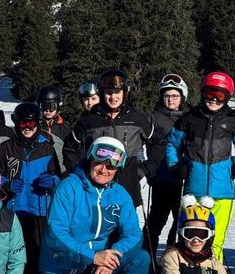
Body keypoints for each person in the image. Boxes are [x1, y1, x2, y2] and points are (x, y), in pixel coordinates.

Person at [41, 137, 149, 274]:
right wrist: (93, 256)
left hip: (95, 264)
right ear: (90, 158)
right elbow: (56, 234)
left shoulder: (119, 194)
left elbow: (133, 234)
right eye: (99, 162)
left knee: (140, 258)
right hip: (61, 263)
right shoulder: (69, 187)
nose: (103, 169)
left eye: (111, 165)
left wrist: (110, 260)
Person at [165, 71, 235, 262]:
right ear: (203, 92)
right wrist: (175, 165)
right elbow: (172, 144)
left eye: (219, 95)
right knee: (191, 237)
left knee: (215, 239)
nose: (213, 99)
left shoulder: (232, 122)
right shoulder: (189, 119)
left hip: (222, 192)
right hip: (193, 191)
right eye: (210, 93)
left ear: (227, 97)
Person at [0, 102, 60, 274]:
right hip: (14, 211)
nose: (28, 127)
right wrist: (6, 185)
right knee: (16, 256)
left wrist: (52, 181)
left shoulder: (46, 148)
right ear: (17, 123)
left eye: (32, 123)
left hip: (39, 211)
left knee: (39, 254)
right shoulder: (5, 149)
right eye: (24, 123)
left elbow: (58, 176)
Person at [64, 69, 155, 207]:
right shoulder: (90, 120)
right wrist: (81, 173)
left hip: (127, 187)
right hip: (96, 189)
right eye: (108, 93)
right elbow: (70, 148)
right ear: (102, 93)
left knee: (127, 227)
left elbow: (158, 143)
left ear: (125, 93)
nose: (113, 97)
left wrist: (146, 168)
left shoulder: (136, 118)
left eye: (117, 92)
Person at [145, 74, 188, 260]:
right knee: (156, 220)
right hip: (162, 177)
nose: (170, 99)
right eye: (167, 96)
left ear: (182, 98)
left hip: (184, 178)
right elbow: (138, 141)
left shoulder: (188, 118)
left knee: (181, 220)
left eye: (175, 96)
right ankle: (147, 257)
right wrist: (146, 167)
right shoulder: (152, 118)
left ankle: (172, 256)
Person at [36, 85, 71, 172]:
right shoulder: (35, 126)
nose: (48, 110)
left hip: (60, 170)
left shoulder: (64, 127)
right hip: (40, 168)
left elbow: (70, 151)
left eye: (51, 106)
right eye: (44, 106)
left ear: (58, 106)